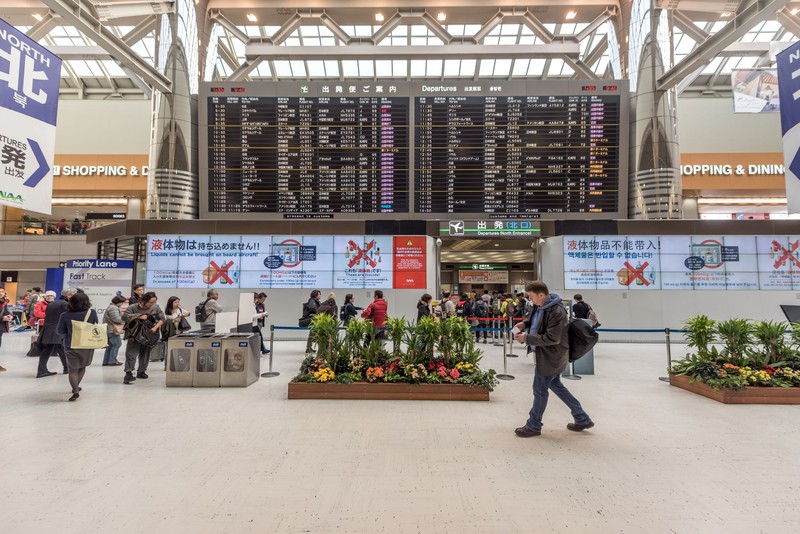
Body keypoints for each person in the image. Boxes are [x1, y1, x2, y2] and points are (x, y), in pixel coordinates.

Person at [513, 280, 594, 438]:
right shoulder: (540, 307)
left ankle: (534, 425)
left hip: (552, 356)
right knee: (556, 385)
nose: (531, 299)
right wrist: (524, 324)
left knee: (539, 389)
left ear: (541, 294)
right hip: (548, 355)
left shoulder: (556, 311)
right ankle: (582, 418)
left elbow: (553, 338)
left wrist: (527, 338)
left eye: (531, 296)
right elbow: (536, 322)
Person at [56, 292, 99, 401]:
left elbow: (59, 331)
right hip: (87, 344)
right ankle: (76, 386)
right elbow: (95, 325)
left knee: (72, 370)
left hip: (71, 345)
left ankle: (75, 390)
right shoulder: (92, 313)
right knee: (82, 366)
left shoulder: (65, 315)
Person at [122, 291, 165, 384]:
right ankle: (128, 373)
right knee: (131, 353)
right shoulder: (133, 307)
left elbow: (162, 318)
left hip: (149, 334)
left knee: (145, 354)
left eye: (154, 302)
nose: (152, 304)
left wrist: (155, 328)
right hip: (134, 334)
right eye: (150, 302)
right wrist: (139, 316)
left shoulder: (155, 308)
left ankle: (141, 371)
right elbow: (124, 317)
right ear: (143, 301)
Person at [36, 288, 73, 377]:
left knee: (47, 350)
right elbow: (67, 317)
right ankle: (66, 368)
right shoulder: (65, 304)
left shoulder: (52, 304)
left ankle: (42, 370)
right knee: (61, 349)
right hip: (57, 330)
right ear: (68, 295)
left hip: (48, 329)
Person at [102, 295, 126, 366]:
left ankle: (106, 361)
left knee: (110, 345)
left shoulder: (111, 307)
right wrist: (124, 320)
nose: (122, 304)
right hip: (112, 329)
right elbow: (117, 319)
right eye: (122, 302)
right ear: (118, 302)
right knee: (117, 344)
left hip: (109, 329)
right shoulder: (114, 308)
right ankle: (112, 361)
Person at [303, 290, 322, 356]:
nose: (320, 295)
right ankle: (308, 349)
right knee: (311, 334)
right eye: (319, 294)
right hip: (314, 320)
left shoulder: (314, 301)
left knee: (313, 335)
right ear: (316, 295)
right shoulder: (312, 301)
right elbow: (313, 308)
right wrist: (320, 311)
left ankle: (309, 348)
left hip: (315, 320)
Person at [0, 286, 12, 372]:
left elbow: (6, 312)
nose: (1, 293)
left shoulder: (3, 303)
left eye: (2, 291)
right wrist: (2, 318)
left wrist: (10, 316)